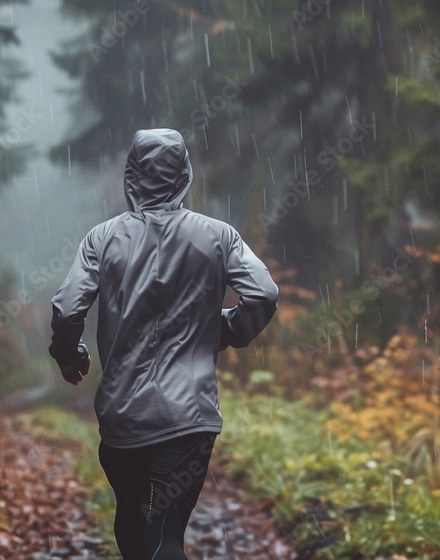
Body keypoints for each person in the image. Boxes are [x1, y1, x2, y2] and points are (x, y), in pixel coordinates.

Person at [48, 128, 278, 560]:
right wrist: (229, 330)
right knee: (164, 535)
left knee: (134, 528)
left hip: (123, 421)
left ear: (131, 176)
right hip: (189, 421)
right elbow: (264, 294)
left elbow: (67, 308)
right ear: (185, 174)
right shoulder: (218, 236)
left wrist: (68, 355)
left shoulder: (102, 239)